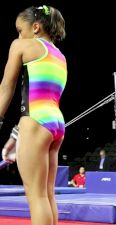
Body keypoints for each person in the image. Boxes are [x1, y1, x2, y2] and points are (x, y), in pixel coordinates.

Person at [0, 5, 66, 225]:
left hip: (35, 120)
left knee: (35, 196)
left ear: (35, 27)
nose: (18, 35)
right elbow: (42, 96)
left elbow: (5, 88)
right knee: (47, 194)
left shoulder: (22, 45)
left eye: (20, 30)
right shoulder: (59, 56)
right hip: (56, 124)